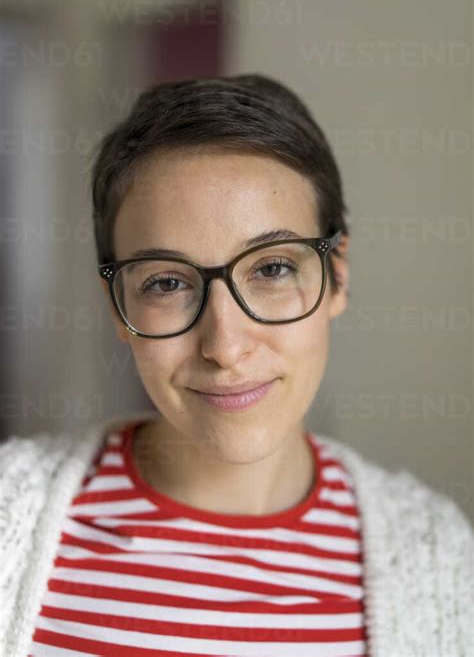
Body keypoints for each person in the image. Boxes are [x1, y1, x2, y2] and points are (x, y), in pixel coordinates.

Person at [1, 74, 472, 657]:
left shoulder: (442, 558)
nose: (224, 345)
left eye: (272, 269)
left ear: (338, 275)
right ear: (119, 309)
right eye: (167, 282)